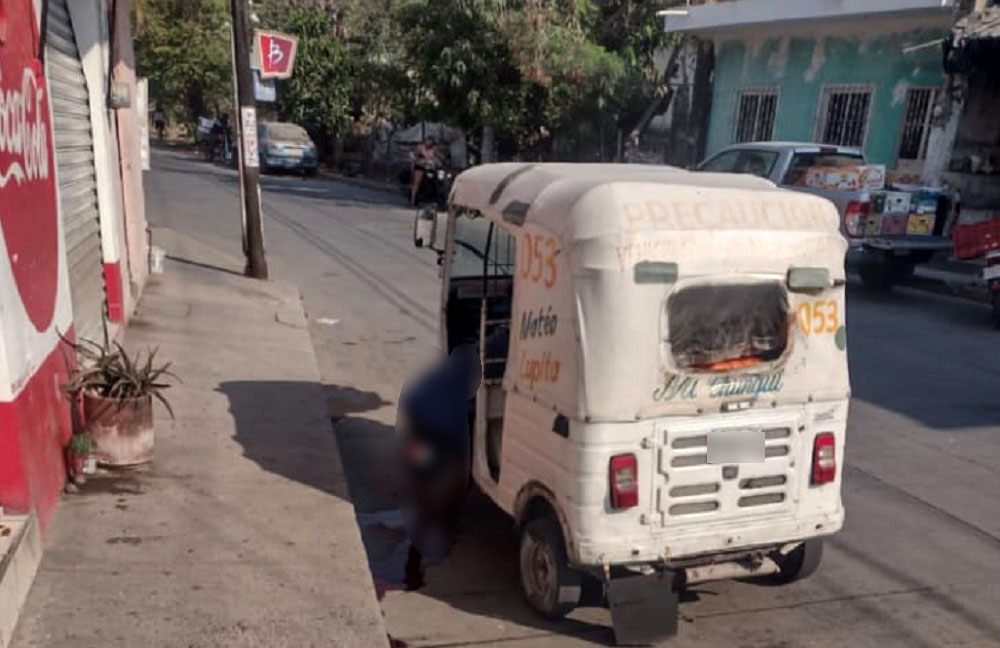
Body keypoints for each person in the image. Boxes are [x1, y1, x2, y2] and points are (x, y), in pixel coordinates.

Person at [410, 136, 443, 207]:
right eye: (428, 141)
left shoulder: (434, 149)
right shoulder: (420, 147)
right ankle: (412, 201)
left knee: (438, 180)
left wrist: (442, 157)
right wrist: (419, 158)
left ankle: (438, 200)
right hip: (420, 166)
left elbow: (440, 156)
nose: (429, 143)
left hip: (430, 167)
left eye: (430, 141)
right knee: (416, 182)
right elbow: (416, 156)